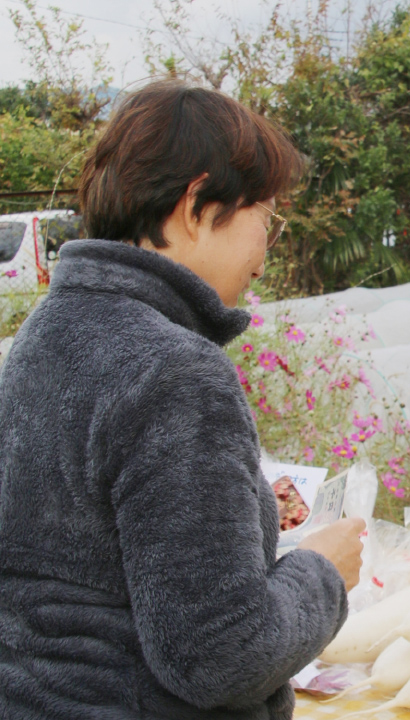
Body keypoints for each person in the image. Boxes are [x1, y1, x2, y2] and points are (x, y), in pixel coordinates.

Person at [0, 80, 364, 720]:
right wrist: (320, 574)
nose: (267, 248)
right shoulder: (175, 371)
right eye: (266, 215)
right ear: (197, 203)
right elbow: (220, 659)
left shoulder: (40, 337)